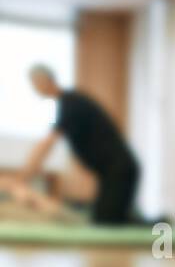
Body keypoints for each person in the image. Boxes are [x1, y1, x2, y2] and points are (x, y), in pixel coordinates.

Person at [18, 64, 140, 225]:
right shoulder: (67, 102)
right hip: (111, 173)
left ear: (44, 80)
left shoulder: (71, 102)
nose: (34, 88)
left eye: (34, 83)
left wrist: (23, 177)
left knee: (107, 223)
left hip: (119, 169)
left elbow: (46, 145)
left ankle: (165, 227)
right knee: (104, 218)